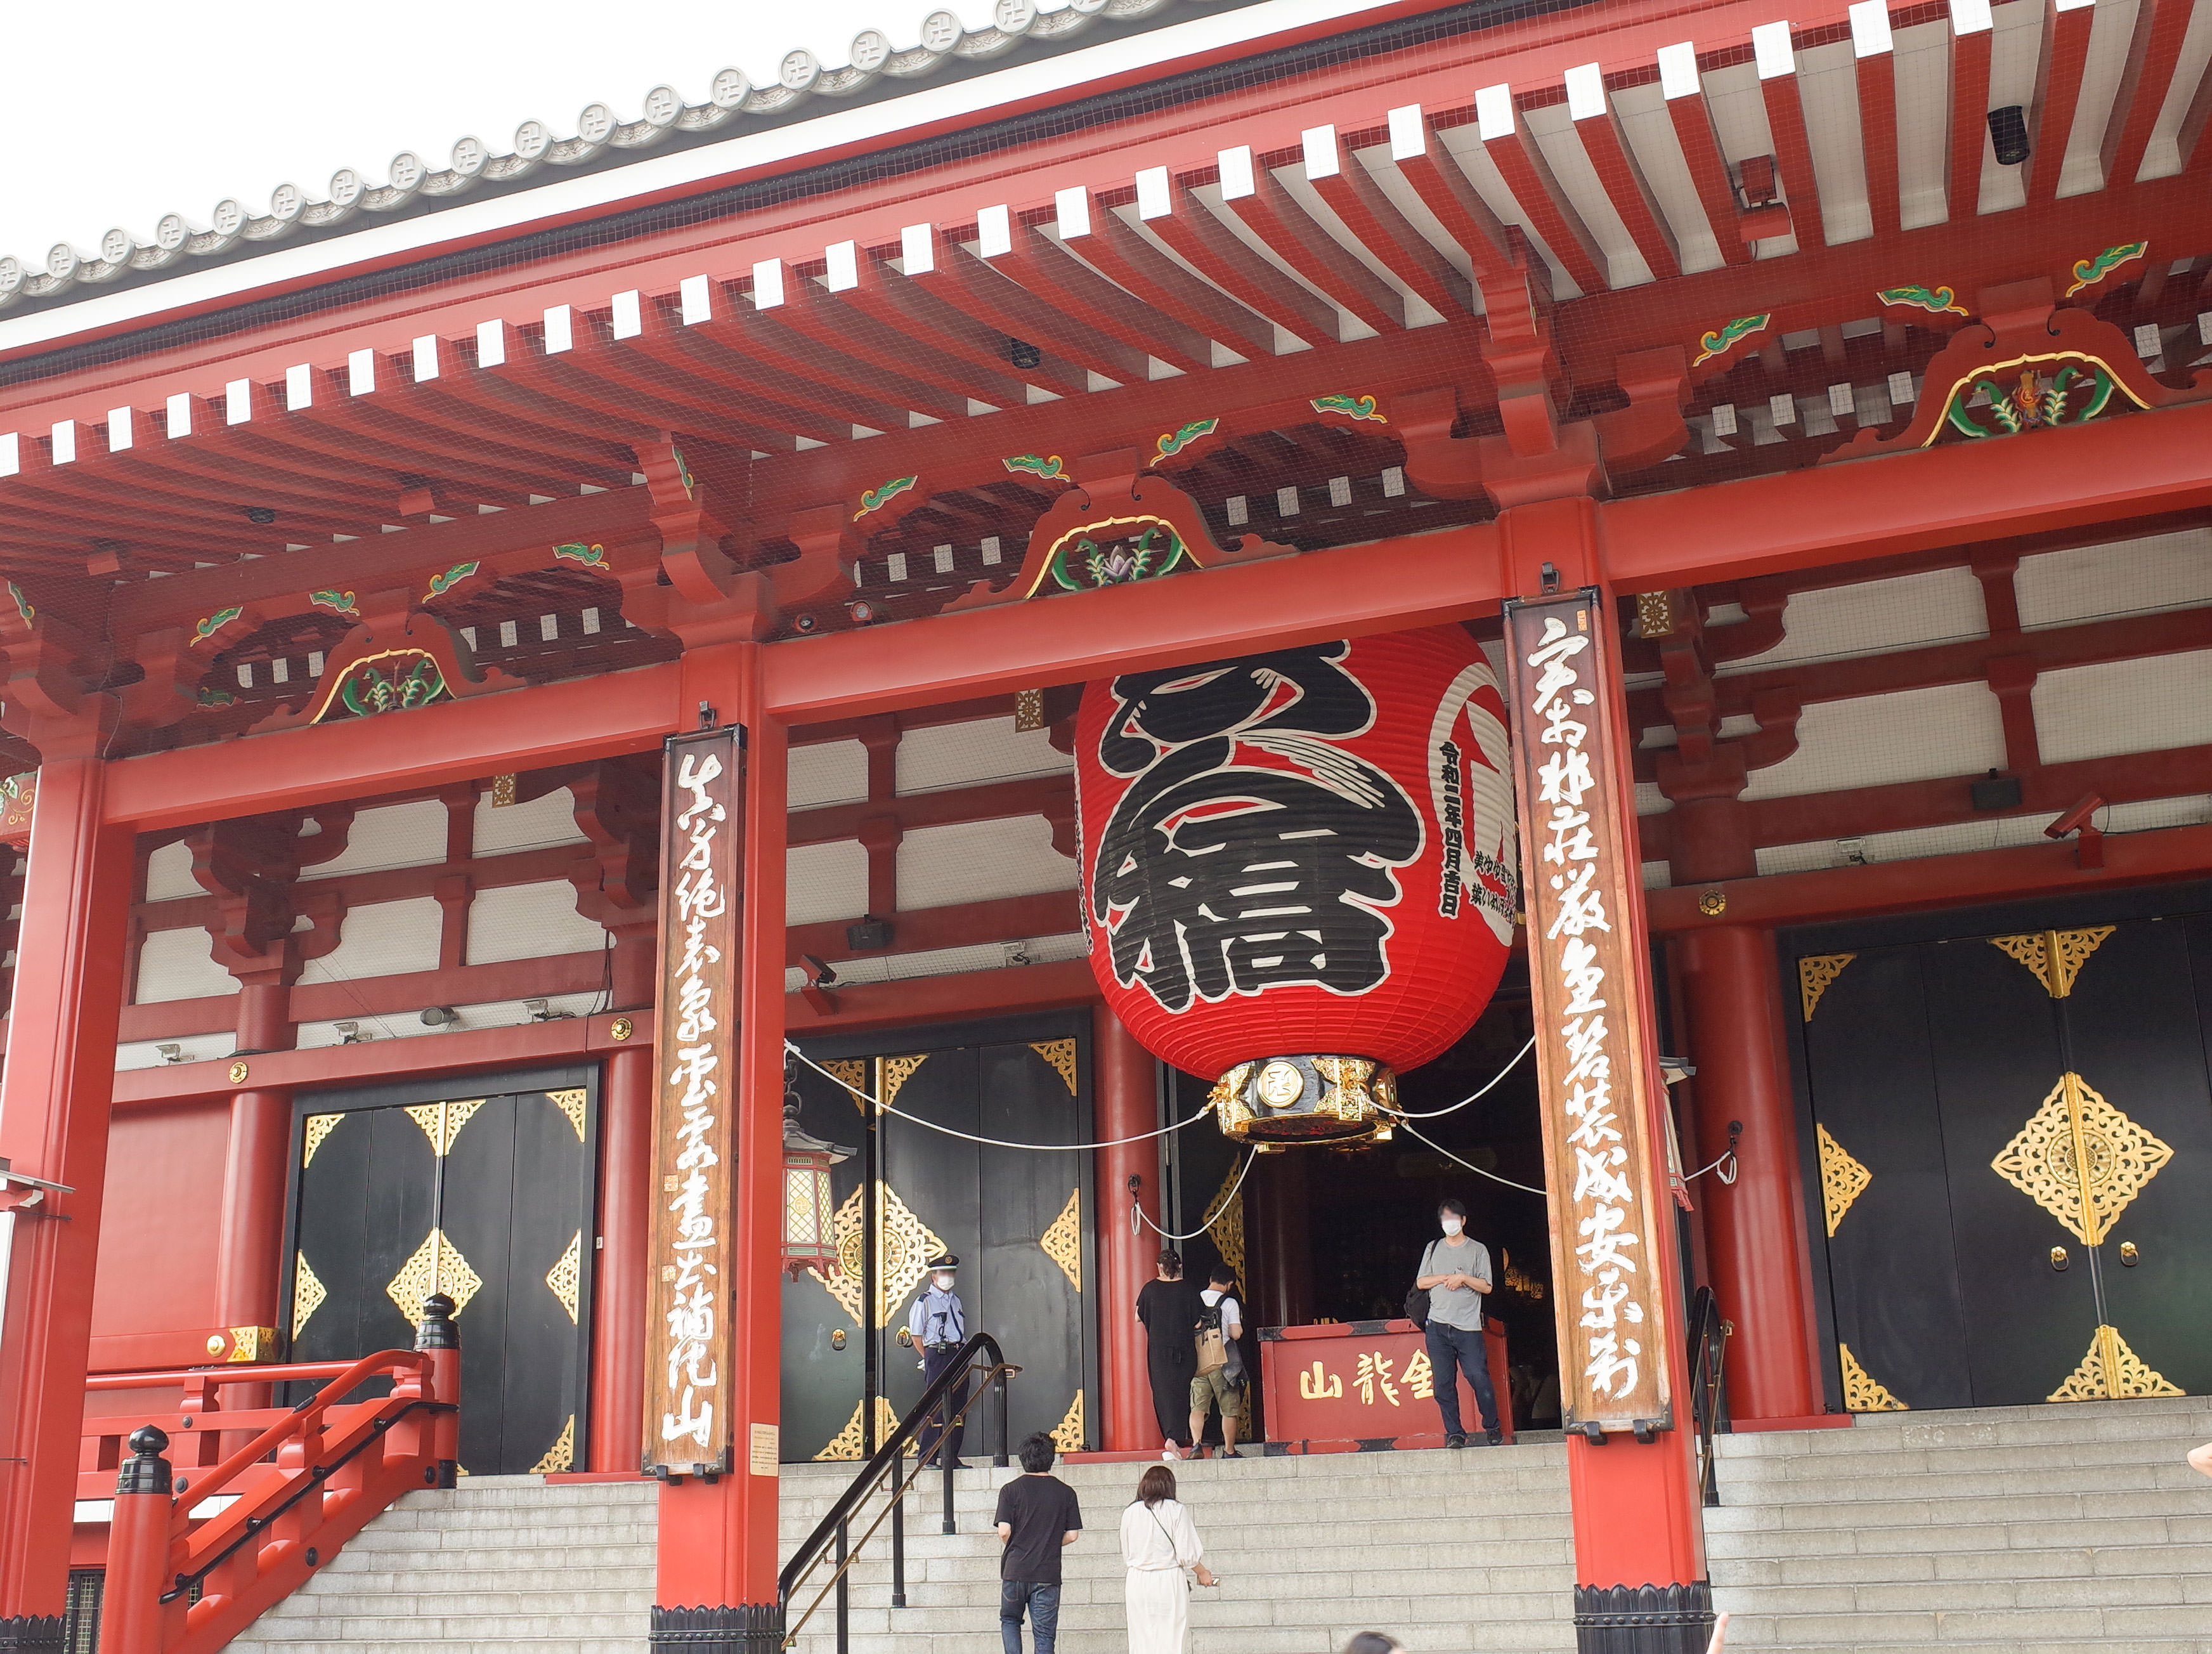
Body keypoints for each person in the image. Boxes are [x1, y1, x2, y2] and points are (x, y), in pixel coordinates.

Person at [1414, 1197, 1504, 1447]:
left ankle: (1492, 1425)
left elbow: (1486, 1287)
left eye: (1453, 1218)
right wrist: (1445, 1277)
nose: (1449, 1223)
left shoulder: (1478, 1250)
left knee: (1478, 1376)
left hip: (1468, 1328)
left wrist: (1463, 1278)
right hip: (1437, 1326)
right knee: (1443, 1384)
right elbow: (1421, 1282)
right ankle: (1455, 1433)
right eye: (1445, 1218)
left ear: (1463, 1221)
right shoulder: (1433, 1248)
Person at [995, 1430, 1083, 1654]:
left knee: (1010, 1621)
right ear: (1051, 1458)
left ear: (1023, 1458)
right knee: (1044, 1635)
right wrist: (1050, 1542)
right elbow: (1073, 1535)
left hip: (1015, 1570)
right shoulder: (1066, 1493)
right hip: (1047, 1572)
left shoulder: (1010, 1491)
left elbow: (1004, 1531)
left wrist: (1018, 1543)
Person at [1119, 1462, 1217, 1654]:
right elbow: (1187, 1554)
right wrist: (1203, 1572)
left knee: (1141, 1639)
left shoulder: (1130, 1512)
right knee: (1172, 1638)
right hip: (1168, 1579)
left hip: (1138, 1580)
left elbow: (1127, 1550)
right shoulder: (1176, 1509)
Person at [1136, 1249, 1203, 1461]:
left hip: (1159, 1351)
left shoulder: (1149, 1289)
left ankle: (1170, 1436)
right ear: (1179, 1267)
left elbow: (1138, 1316)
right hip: (1184, 1350)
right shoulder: (1188, 1289)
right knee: (1183, 1392)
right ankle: (1179, 1436)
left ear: (1159, 1267)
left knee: (1163, 1392)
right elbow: (1198, 1322)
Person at [909, 1251, 969, 1468]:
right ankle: (928, 1456)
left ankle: (951, 1456)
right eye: (943, 1272)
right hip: (938, 1354)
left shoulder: (956, 1301)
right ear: (933, 1276)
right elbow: (917, 1335)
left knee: (958, 1406)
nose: (948, 1276)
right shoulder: (924, 1301)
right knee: (936, 1406)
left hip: (958, 1353)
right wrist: (929, 1358)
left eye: (951, 1272)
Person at [1188, 1263, 1246, 1459]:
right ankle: (1229, 1450)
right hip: (1223, 1362)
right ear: (1229, 1284)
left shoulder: (1194, 1299)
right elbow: (1236, 1334)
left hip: (1199, 1362)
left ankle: (1196, 1445)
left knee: (1198, 1406)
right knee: (1228, 1408)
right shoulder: (1229, 1302)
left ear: (1210, 1279)